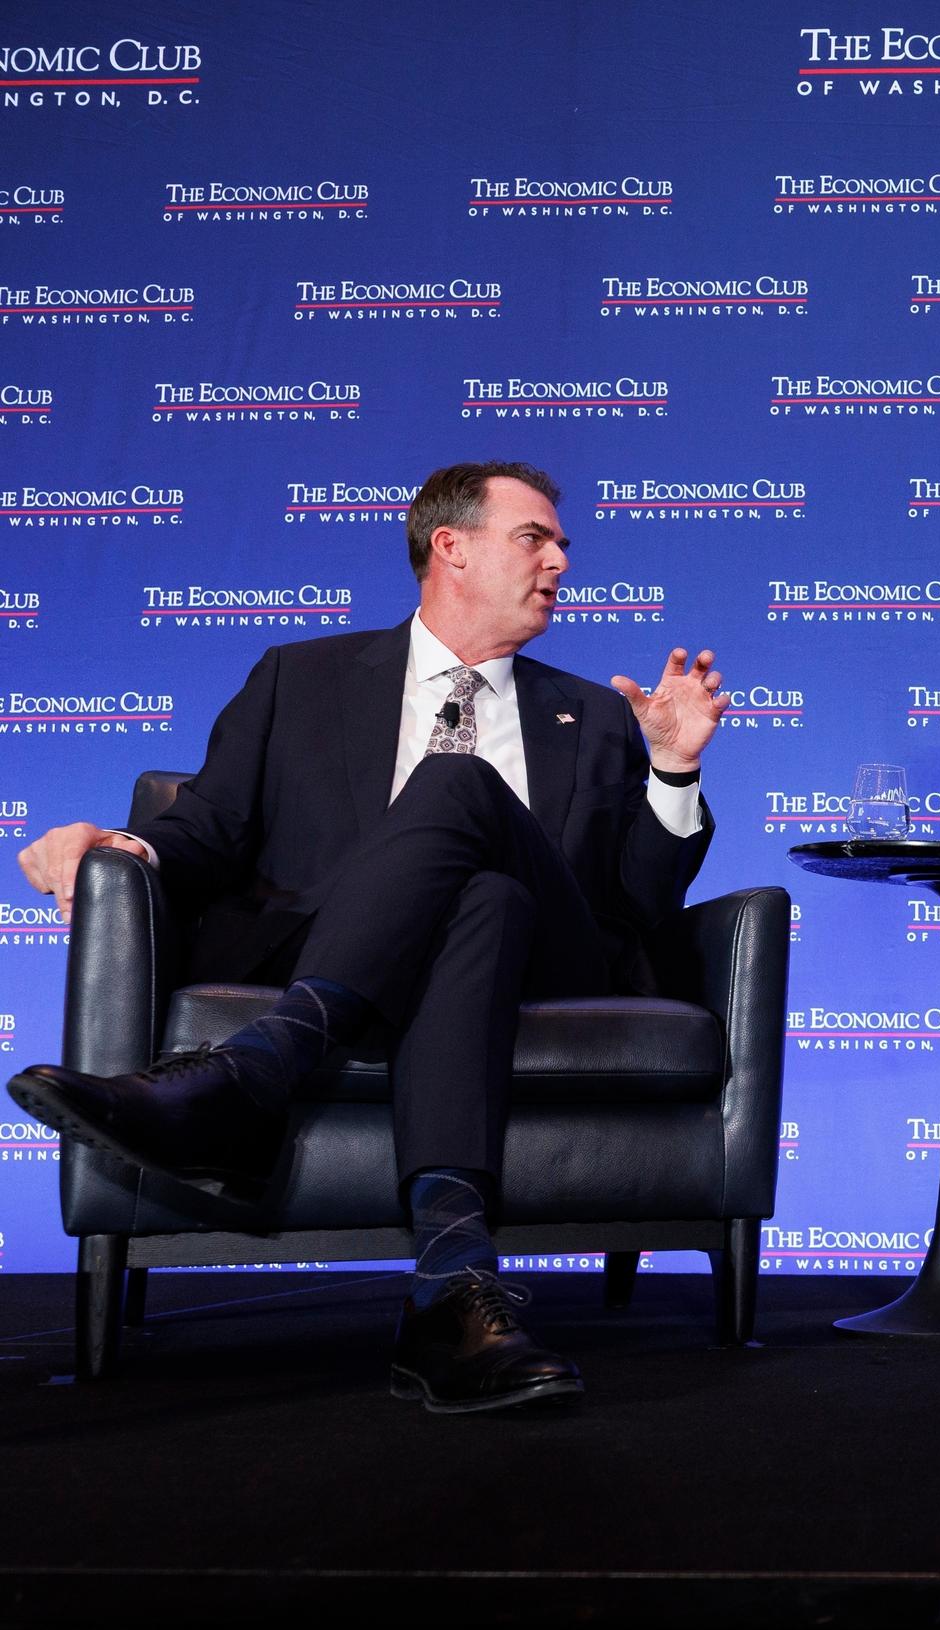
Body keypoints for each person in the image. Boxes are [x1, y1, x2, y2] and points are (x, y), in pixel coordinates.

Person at [9, 461, 727, 1415]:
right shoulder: (299, 678)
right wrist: (118, 844)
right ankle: (453, 1292)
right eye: (536, 539)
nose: (560, 561)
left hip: (549, 966)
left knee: (462, 788)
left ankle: (254, 1073)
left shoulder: (591, 711)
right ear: (451, 546)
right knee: (483, 902)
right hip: (356, 943)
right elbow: (210, 826)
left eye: (562, 546)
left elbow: (640, 901)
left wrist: (672, 771)